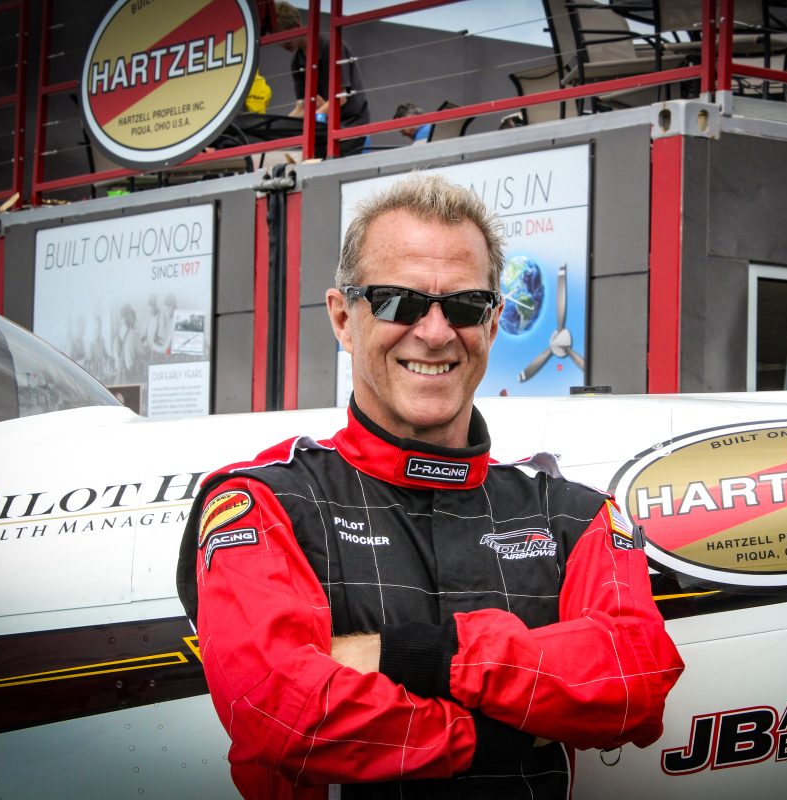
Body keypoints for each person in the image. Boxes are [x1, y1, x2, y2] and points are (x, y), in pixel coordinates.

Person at [176, 173, 683, 799]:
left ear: (492, 325)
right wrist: (494, 734)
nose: (436, 332)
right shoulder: (265, 502)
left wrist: (423, 654)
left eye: (465, 306)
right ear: (343, 318)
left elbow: (636, 682)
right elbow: (281, 712)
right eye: (399, 302)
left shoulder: (573, 515)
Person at [275, 2, 370, 156]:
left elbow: (340, 98)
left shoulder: (330, 45)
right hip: (324, 130)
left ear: (298, 26)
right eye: (278, 38)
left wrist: (312, 119)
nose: (281, 44)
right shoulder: (297, 61)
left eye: (285, 37)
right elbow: (302, 107)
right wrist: (278, 127)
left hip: (350, 126)